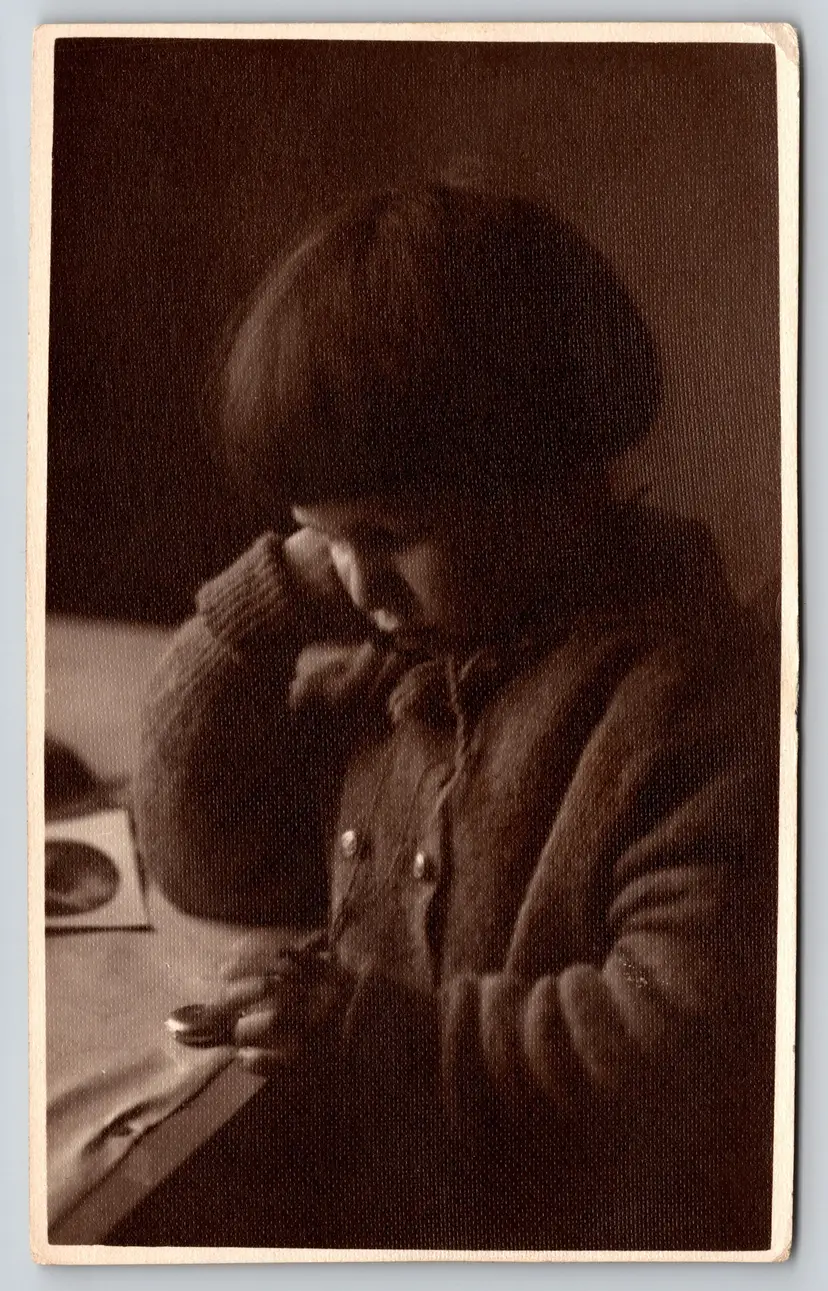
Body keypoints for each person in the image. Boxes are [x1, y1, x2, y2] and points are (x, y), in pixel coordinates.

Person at [132, 184, 780, 1252]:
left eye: (390, 529)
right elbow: (204, 860)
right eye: (320, 535)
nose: (358, 581)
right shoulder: (418, 666)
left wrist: (382, 1037)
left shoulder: (688, 706)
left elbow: (683, 1036)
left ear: (556, 481)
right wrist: (284, 588)